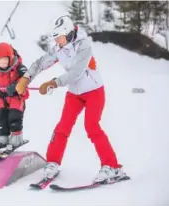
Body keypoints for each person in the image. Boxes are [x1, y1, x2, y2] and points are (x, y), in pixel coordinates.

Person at [15, 15, 126, 183]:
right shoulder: (59, 47)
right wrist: (26, 78)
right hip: (74, 94)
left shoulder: (84, 45)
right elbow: (41, 63)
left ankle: (112, 167)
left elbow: (77, 72)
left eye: (58, 37)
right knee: (62, 127)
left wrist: (54, 83)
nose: (56, 41)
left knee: (92, 126)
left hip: (94, 91)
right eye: (55, 38)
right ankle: (53, 162)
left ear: (67, 33)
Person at [0, 42, 29, 151]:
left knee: (14, 116)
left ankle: (16, 137)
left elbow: (26, 78)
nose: (1, 64)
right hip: (3, 96)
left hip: (16, 96)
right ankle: (3, 137)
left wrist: (16, 86)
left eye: (4, 60)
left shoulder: (19, 67)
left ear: (11, 57)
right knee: (0, 115)